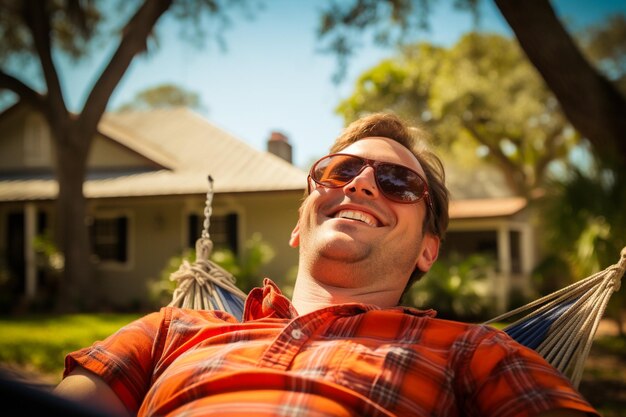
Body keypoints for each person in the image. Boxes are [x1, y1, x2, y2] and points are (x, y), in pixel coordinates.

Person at [55, 113, 598, 417]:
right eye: (340, 172)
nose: (361, 183)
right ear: (299, 224)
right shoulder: (171, 330)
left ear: (428, 250)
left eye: (398, 183)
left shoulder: (471, 351)